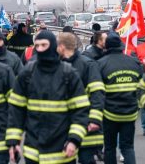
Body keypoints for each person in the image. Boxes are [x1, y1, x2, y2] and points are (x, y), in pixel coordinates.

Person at [6, 31, 90, 164]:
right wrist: (13, 141)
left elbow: (80, 111)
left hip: (62, 152)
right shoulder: (27, 74)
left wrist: (74, 140)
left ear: (53, 46)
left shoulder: (69, 74)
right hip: (33, 153)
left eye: (43, 45)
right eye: (37, 45)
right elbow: (16, 110)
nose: (39, 49)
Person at [57, 32, 105, 164]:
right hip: (65, 125)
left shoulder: (88, 64)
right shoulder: (56, 65)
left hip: (86, 125)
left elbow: (97, 93)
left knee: (86, 160)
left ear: (61, 47)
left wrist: (94, 120)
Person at [97, 32, 143, 164]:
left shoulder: (101, 64)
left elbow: (97, 91)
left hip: (109, 114)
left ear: (106, 46)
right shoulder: (134, 63)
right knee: (128, 147)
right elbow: (141, 87)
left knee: (110, 148)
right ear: (121, 46)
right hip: (130, 113)